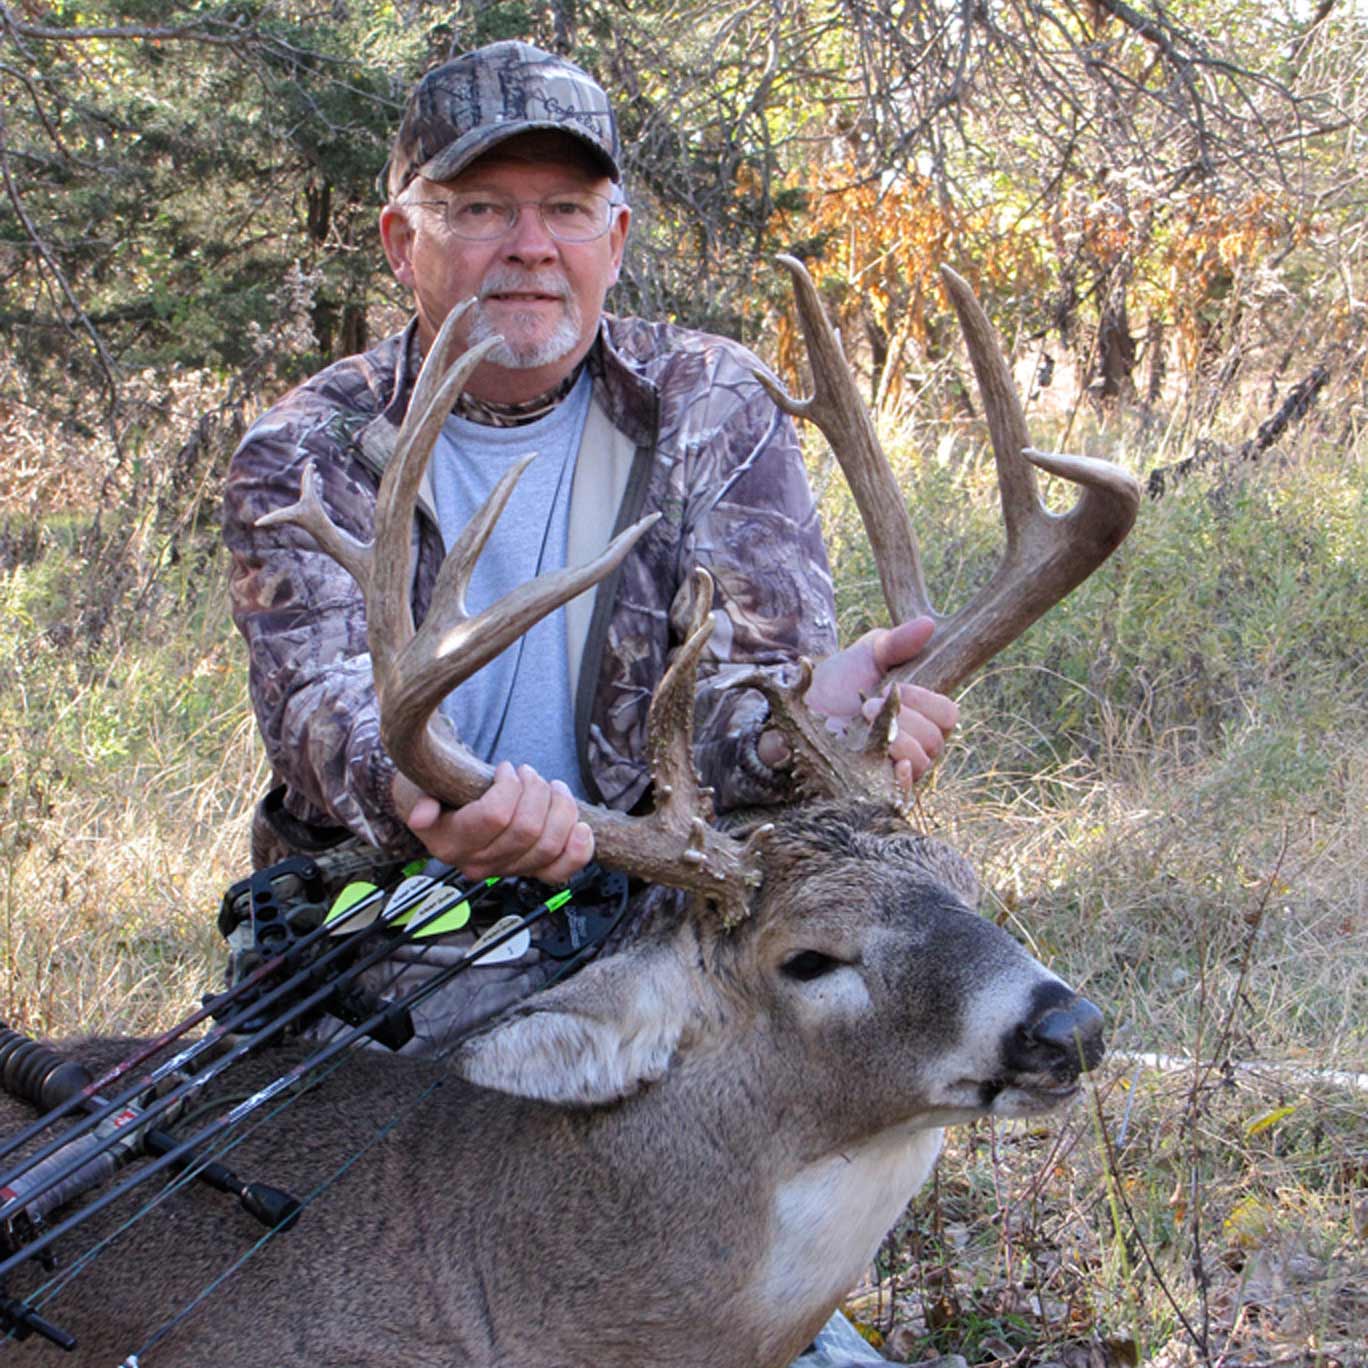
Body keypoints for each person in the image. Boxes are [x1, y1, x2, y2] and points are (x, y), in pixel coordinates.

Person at [222, 39, 957, 1368]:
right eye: (481, 208)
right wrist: (415, 793)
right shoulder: (309, 448)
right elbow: (320, 716)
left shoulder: (707, 403)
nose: (528, 245)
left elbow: (738, 717)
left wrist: (819, 720)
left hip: (656, 929)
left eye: (565, 210)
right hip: (393, 937)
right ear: (403, 237)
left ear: (614, 236)